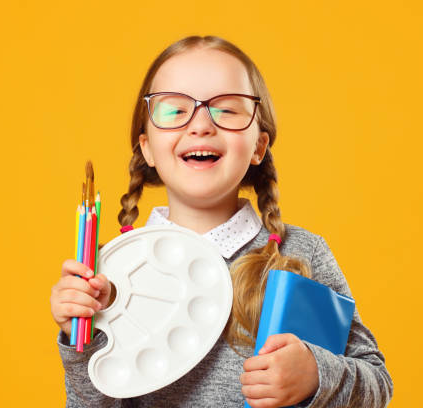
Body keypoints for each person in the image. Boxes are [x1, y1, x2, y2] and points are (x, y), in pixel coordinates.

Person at [49, 35, 393, 407]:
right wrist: (79, 340)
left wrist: (315, 375)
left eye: (227, 110)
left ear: (259, 146)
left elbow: (377, 385)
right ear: (146, 146)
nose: (200, 125)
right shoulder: (112, 270)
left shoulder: (301, 253)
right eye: (174, 111)